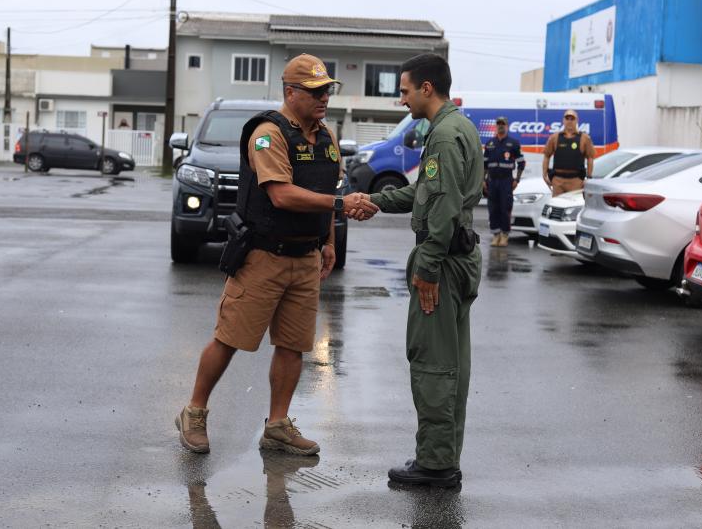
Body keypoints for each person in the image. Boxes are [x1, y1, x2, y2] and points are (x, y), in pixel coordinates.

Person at [175, 54, 377, 456]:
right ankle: (194, 412)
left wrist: (329, 242)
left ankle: (278, 425)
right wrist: (340, 207)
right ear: (291, 92)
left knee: (293, 344)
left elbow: (328, 189)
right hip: (262, 256)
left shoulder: (326, 136)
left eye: (328, 91)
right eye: (316, 92)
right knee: (229, 338)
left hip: (305, 258)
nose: (324, 99)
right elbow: (282, 194)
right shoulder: (268, 134)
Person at [367, 53, 483, 487]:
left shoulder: (444, 135)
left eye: (404, 90)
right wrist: (375, 200)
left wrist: (428, 267)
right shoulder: (458, 127)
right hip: (457, 256)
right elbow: (425, 193)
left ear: (426, 89)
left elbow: (445, 207)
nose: (402, 100)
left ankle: (435, 464)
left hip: (444, 261)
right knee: (452, 363)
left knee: (434, 363)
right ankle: (443, 456)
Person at [482, 116, 524, 247]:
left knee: (505, 209)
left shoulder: (513, 143)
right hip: (492, 182)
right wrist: (483, 180)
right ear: (496, 125)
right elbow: (484, 164)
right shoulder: (489, 143)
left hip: (506, 181)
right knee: (493, 209)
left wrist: (517, 179)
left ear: (507, 126)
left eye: (503, 124)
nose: (500, 126)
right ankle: (496, 235)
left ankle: (504, 235)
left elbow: (521, 163)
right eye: (498, 123)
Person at [542, 109, 595, 197]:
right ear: (563, 120)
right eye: (567, 118)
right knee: (557, 207)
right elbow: (546, 155)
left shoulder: (584, 138)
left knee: (574, 208)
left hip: (576, 181)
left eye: (572, 119)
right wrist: (544, 175)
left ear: (577, 121)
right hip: (558, 181)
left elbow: (590, 158)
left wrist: (589, 178)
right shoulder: (555, 137)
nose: (569, 121)